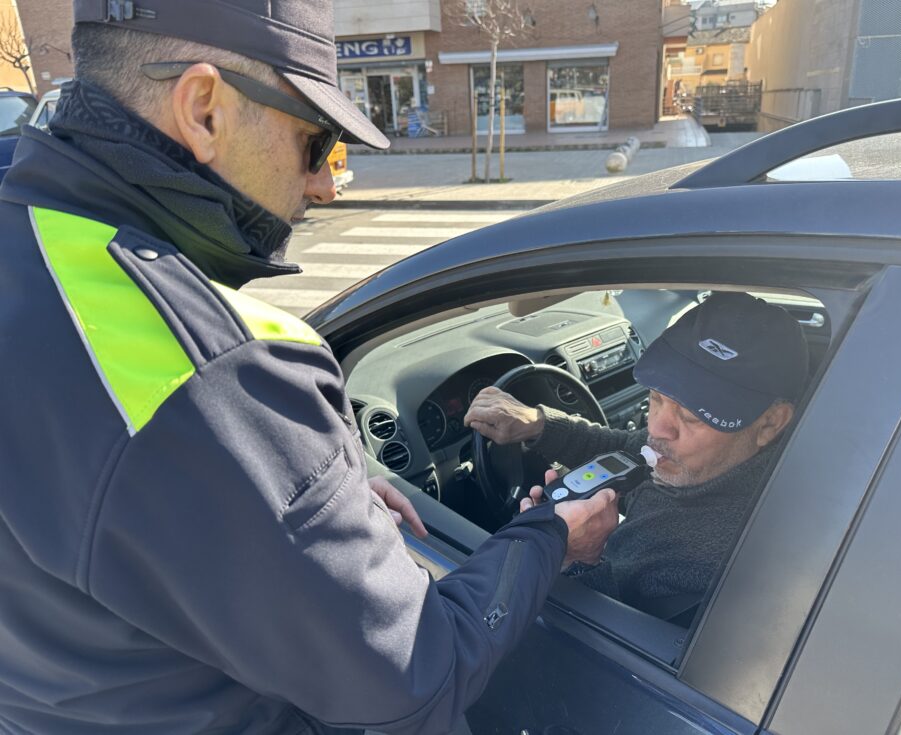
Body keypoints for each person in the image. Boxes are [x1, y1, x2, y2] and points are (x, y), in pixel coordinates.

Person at [0, 2, 617, 733]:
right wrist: (547, 535)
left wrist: (323, 485)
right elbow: (418, 676)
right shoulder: (214, 371)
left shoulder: (25, 233)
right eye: (314, 142)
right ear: (204, 109)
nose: (325, 185)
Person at [466, 292, 809, 619]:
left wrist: (576, 556)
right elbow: (629, 450)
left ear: (770, 424)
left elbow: (595, 639)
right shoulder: (701, 460)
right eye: (657, 398)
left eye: (691, 416)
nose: (658, 428)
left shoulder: (711, 559)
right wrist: (540, 425)